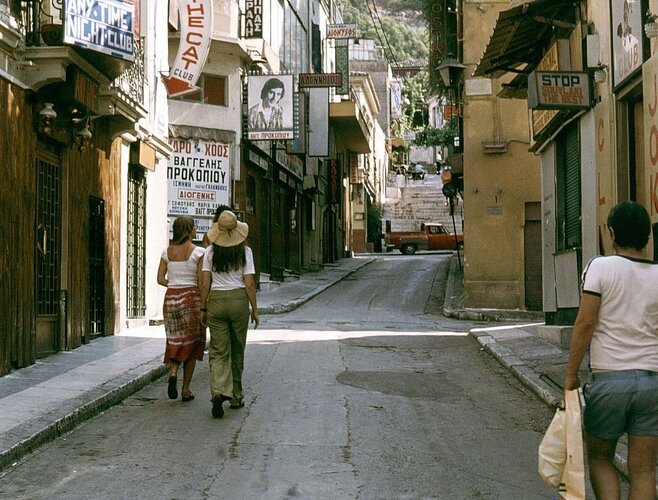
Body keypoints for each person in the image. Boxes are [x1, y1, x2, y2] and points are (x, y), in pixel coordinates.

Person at [564, 201, 658, 499]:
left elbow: (585, 324)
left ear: (612, 233)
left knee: (601, 458)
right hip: (652, 383)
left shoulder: (599, 267)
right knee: (643, 470)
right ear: (647, 237)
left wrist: (571, 374)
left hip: (609, 382)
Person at [200, 210, 259, 418]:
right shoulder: (245, 252)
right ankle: (236, 394)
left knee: (218, 350)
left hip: (216, 300)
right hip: (238, 301)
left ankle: (217, 391)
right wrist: (255, 309)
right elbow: (249, 283)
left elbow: (205, 282)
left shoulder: (209, 252)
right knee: (237, 348)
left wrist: (203, 307)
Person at [157, 216, 206, 402]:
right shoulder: (199, 252)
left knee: (175, 340)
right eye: (193, 227)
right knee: (192, 344)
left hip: (171, 298)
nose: (196, 230)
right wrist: (204, 306)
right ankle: (185, 389)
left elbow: (160, 279)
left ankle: (173, 371)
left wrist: (175, 283)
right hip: (191, 298)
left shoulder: (167, 252)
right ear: (188, 230)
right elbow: (202, 282)